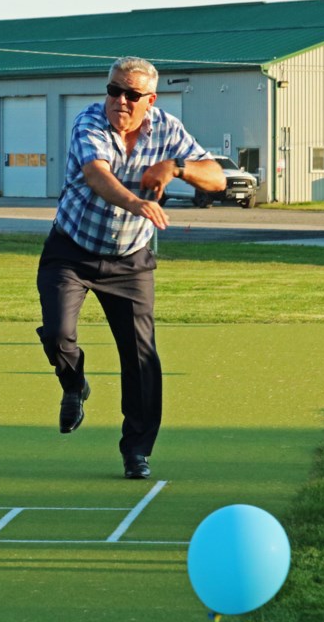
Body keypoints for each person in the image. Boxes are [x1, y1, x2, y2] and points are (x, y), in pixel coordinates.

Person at [36, 57, 225, 479]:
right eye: (113, 90)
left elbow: (217, 179)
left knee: (141, 358)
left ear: (150, 100)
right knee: (57, 334)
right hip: (72, 250)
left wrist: (175, 168)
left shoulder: (168, 128)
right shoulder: (89, 123)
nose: (119, 100)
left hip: (131, 261)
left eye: (131, 94)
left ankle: (136, 450)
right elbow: (97, 174)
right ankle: (74, 385)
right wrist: (137, 202)